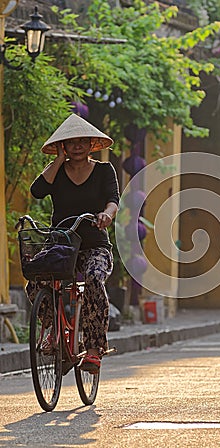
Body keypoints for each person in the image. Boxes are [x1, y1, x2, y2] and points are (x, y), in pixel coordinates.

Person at [26, 113, 120, 374]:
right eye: (71, 142)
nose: (77, 146)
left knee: (93, 279)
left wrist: (106, 215)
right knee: (35, 282)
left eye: (82, 141)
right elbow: (37, 191)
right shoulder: (56, 172)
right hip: (62, 244)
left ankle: (93, 350)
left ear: (92, 144)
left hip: (94, 245)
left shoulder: (104, 170)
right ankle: (54, 331)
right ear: (63, 146)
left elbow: (113, 200)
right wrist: (58, 160)